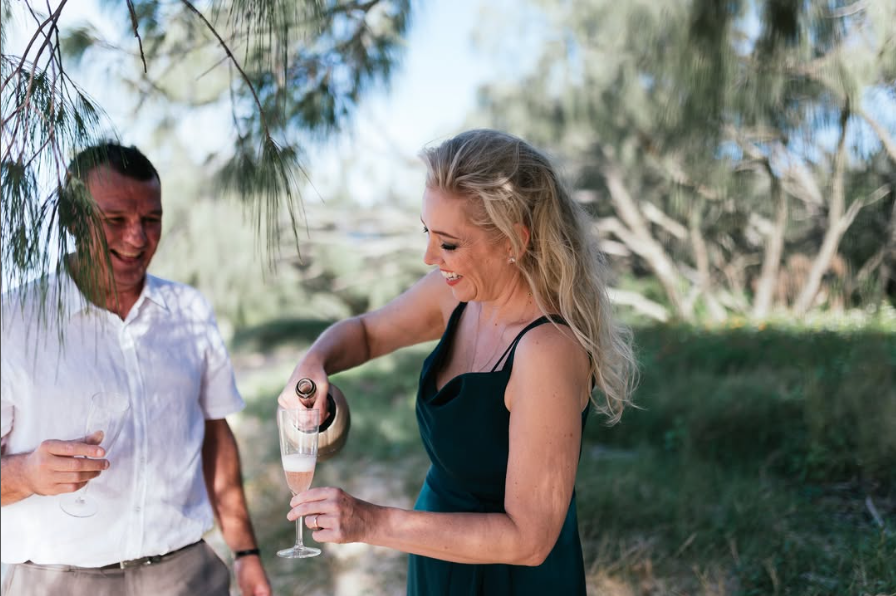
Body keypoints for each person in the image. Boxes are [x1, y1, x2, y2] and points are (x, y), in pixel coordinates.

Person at [277, 129, 637, 595]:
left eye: (448, 244)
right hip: (438, 556)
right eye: (427, 233)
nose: (430, 257)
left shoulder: (547, 351)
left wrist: (370, 522)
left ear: (513, 240)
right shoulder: (457, 296)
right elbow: (366, 332)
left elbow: (529, 540)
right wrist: (313, 362)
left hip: (510, 578)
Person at [1, 143, 272, 596]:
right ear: (72, 220)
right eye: (115, 221)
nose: (137, 239)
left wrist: (246, 555)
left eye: (151, 220)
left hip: (187, 574)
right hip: (55, 582)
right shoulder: (11, 322)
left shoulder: (189, 311)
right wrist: (27, 473)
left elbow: (215, 435)